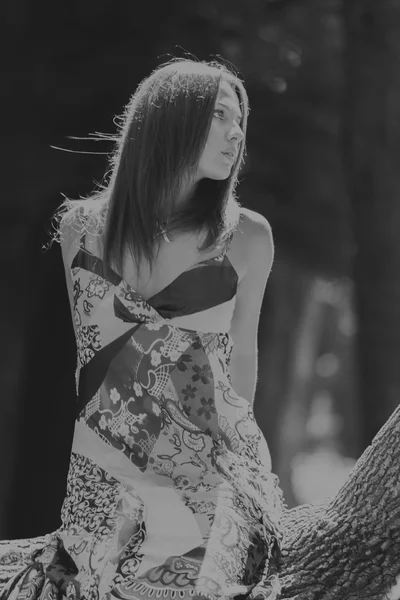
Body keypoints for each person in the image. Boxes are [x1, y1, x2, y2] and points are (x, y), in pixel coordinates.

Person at [0, 58, 284, 600]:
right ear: (169, 120)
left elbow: (241, 359)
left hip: (209, 469)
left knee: (188, 585)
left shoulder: (248, 237)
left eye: (239, 118)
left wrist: (238, 478)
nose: (237, 131)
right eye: (220, 115)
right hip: (104, 468)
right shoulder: (78, 228)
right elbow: (97, 362)